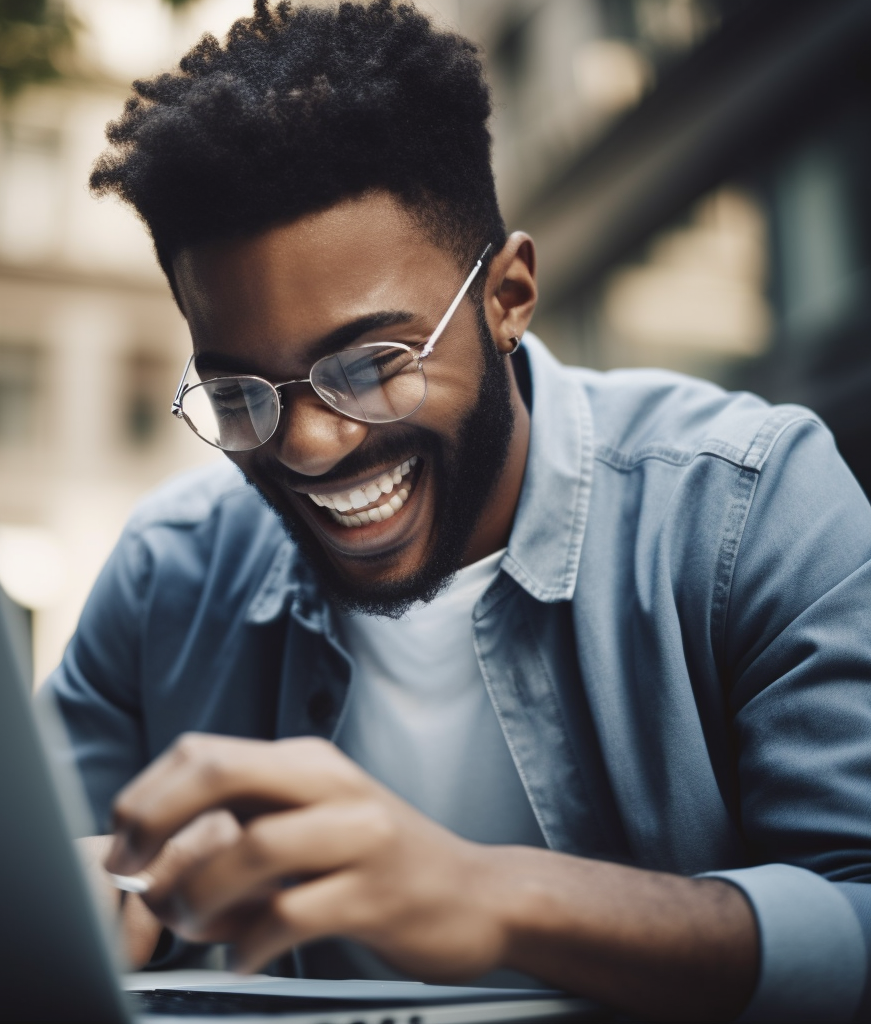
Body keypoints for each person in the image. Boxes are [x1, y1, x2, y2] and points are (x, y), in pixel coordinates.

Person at [42, 2, 871, 1020]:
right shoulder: (165, 574)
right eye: (239, 393)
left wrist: (491, 898)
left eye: (370, 364)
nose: (307, 443)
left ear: (509, 296)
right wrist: (62, 901)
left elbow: (858, 917)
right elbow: (25, 890)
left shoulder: (749, 504)